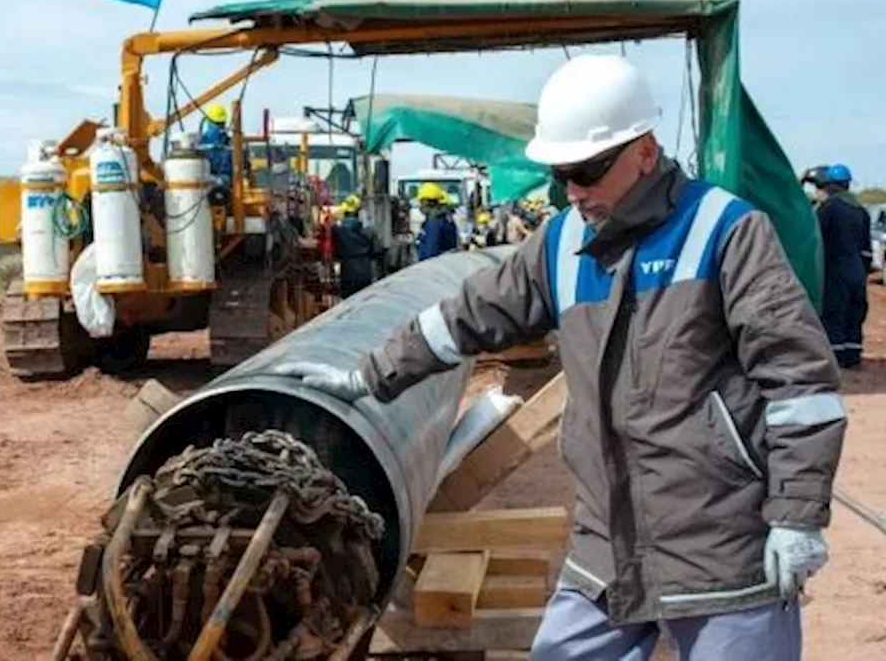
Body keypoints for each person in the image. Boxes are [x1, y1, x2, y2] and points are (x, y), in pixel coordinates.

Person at [277, 54, 844, 660]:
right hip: (608, 550)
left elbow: (800, 387)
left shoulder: (725, 233)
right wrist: (366, 378)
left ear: (645, 151)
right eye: (562, 174)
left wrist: (796, 516)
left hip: (719, 543)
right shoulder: (563, 243)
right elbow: (464, 316)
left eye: (589, 170)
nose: (575, 191)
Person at [803, 164, 872, 368]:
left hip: (835, 269)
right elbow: (866, 249)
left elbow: (815, 239)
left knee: (834, 313)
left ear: (829, 185)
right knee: (854, 313)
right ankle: (853, 356)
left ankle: (835, 359)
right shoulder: (861, 210)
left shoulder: (829, 208)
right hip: (857, 271)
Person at [332, 195, 383, 298]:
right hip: (365, 268)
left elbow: (334, 250)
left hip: (347, 269)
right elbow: (377, 251)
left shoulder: (338, 230)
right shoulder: (369, 230)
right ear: (359, 212)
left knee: (348, 301)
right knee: (364, 299)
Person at [416, 182, 459, 260]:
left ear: (427, 202)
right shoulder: (446, 219)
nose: (420, 206)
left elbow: (430, 252)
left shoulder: (434, 223)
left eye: (421, 202)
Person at [198, 102, 233, 186]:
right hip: (217, 178)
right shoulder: (227, 141)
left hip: (219, 179)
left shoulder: (202, 141)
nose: (220, 126)